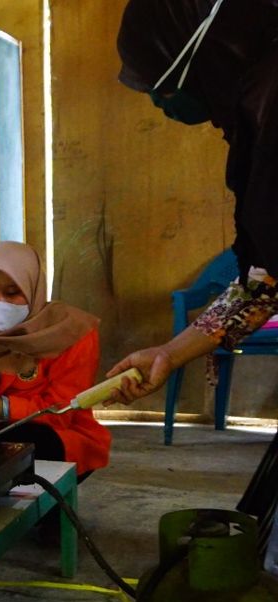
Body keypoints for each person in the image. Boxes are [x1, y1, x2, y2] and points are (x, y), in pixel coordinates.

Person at [110, 0, 278, 401]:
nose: (157, 99)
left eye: (159, 83)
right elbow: (264, 283)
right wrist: (169, 352)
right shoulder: (255, 113)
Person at [0, 241, 111, 478]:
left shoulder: (70, 335)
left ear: (33, 287)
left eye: (13, 293)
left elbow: (61, 411)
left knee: (24, 444)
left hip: (56, 435)